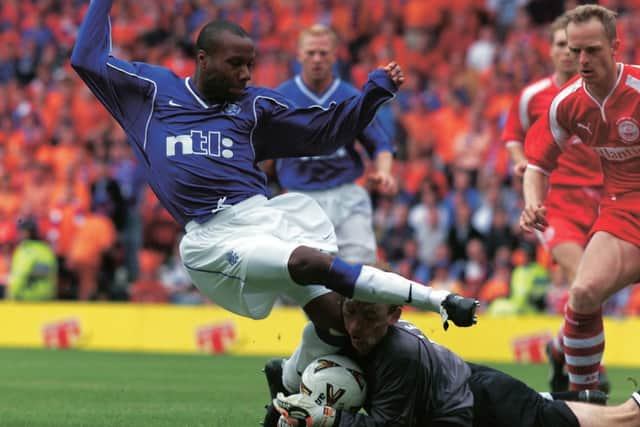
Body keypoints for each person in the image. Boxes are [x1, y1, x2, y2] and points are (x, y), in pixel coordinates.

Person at [71, 0, 478, 391]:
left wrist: (371, 96)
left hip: (266, 218)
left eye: (250, 64)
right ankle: (437, 299)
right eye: (235, 64)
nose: (246, 75)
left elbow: (323, 132)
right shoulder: (152, 92)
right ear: (202, 59)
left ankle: (286, 381)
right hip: (213, 237)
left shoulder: (255, 107)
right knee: (309, 262)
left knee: (340, 323)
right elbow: (86, 58)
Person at [270, 299, 640, 427]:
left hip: (477, 405)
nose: (354, 327)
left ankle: (632, 411)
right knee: (547, 411)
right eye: (350, 312)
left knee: (556, 421)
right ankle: (581, 397)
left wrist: (330, 419)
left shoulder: (398, 354)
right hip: (468, 390)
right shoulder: (355, 332)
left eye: (367, 317)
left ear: (394, 316)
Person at [521, 4, 640, 392]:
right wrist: (532, 202)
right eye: (576, 51)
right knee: (583, 292)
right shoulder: (566, 103)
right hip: (623, 208)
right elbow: (536, 163)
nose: (582, 60)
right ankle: (585, 398)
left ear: (615, 47)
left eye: (592, 50)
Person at [501, 13, 605, 392]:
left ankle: (562, 348)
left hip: (603, 202)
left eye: (575, 47)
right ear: (550, 50)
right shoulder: (532, 95)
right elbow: (513, 136)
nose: (569, 53)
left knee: (595, 288)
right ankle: (590, 379)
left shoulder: (598, 92)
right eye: (562, 45)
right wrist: (518, 161)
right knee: (586, 282)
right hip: (555, 203)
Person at [273, 24, 397, 266]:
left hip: (345, 193)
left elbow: (380, 143)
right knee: (306, 278)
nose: (317, 59)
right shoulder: (279, 98)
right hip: (301, 197)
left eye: (323, 53)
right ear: (299, 55)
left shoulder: (350, 96)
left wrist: (385, 172)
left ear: (334, 55)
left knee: (361, 270)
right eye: (311, 53)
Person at [7, 217, 57, 301]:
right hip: (47, 297)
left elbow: (20, 275)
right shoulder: (46, 249)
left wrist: (11, 296)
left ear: (25, 233)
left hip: (27, 297)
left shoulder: (26, 250)